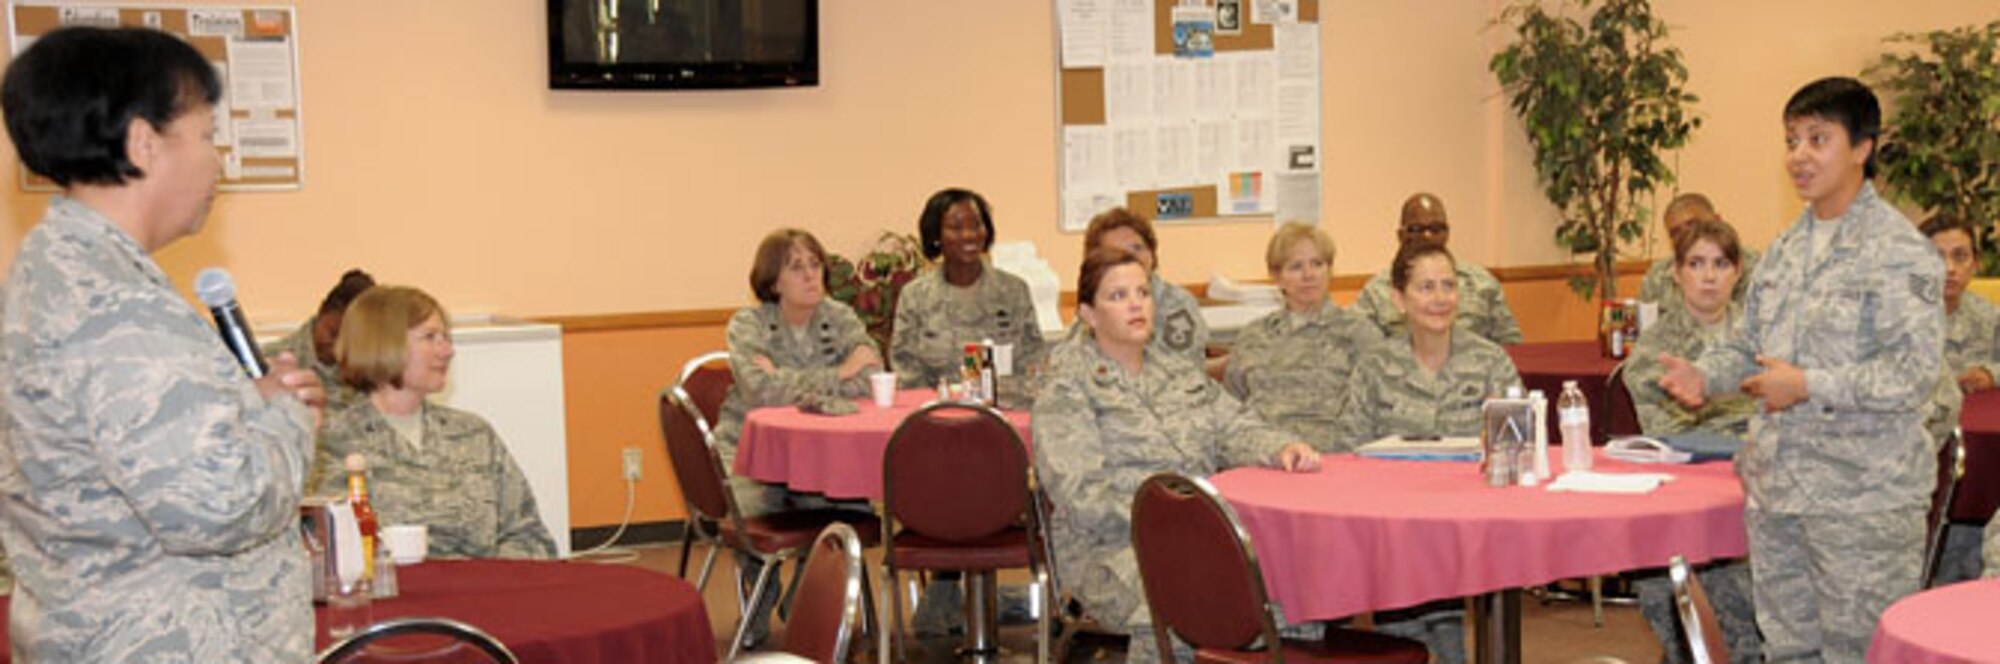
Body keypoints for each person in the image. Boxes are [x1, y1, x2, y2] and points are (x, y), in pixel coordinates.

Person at [0, 27, 324, 660]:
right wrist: (292, 419)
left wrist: (246, 400)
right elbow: (218, 504)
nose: (218, 160)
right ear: (145, 143)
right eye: (206, 135)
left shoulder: (59, 271)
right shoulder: (118, 308)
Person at [1657, 77, 1944, 664]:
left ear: (1862, 147)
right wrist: (1704, 375)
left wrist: (1809, 385)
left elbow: (1913, 375)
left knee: (1858, 654)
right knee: (1787, 650)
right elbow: (1749, 346)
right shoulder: (1785, 251)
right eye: (1791, 140)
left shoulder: (1900, 252)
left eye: (1818, 138)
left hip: (1863, 503)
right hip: (1779, 493)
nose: (1799, 155)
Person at [1033, 247, 1320, 662]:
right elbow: (1083, 496)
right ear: (1088, 315)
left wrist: (1280, 447)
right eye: (1117, 296)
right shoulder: (1068, 389)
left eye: (1142, 293)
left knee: (1297, 599)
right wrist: (1175, 524)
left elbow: (1235, 427)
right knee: (1187, 605)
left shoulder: (1180, 372)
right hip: (1111, 551)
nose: (1135, 304)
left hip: (1204, 539)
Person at [1331, 241, 1520, 664]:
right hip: (1395, 525)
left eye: (1448, 286)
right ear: (1398, 298)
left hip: (1472, 522)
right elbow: (1347, 453)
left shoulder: (1491, 363)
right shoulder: (1375, 367)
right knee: (1406, 623)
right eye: (1426, 287)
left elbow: (1516, 450)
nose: (1440, 299)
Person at [711, 228, 882, 644]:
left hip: (821, 454)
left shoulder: (839, 317)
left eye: (814, 264)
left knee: (845, 508)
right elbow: (758, 390)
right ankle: (760, 594)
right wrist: (840, 373)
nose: (810, 275)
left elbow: (872, 377)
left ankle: (805, 597)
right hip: (752, 453)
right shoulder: (748, 324)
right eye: (796, 267)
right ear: (773, 281)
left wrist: (787, 379)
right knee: (752, 510)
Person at [313, 286, 556, 559]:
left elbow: (530, 536)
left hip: (485, 593)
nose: (448, 351)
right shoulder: (329, 443)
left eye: (446, 337)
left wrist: (487, 580)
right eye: (430, 337)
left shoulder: (472, 434)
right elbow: (329, 556)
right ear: (382, 344)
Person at [1620, 219, 1763, 663]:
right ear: (1677, 272)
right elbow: (1668, 433)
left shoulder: (1760, 339)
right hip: (1688, 486)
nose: (1709, 276)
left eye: (1720, 264)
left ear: (1738, 272)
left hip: (1758, 481)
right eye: (1696, 263)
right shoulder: (1656, 348)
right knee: (1673, 583)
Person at [1224, 222, 1380, 452]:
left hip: (1331, 457)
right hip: (1265, 456)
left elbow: (1375, 410)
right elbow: (1231, 408)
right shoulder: (1253, 336)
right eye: (1296, 267)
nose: (1309, 275)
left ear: (1330, 270)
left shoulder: (1358, 333)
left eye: (1317, 264)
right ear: (1277, 277)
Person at [890, 188, 1045, 397]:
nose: (969, 235)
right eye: (956, 227)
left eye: (976, 225)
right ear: (936, 236)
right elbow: (906, 371)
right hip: (938, 416)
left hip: (1005, 413)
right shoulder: (916, 297)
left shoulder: (1013, 292)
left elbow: (1033, 361)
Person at [1353, 193, 1525, 345]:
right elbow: (1360, 353)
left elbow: (1512, 346)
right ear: (1401, 235)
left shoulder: (1482, 283)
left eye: (1436, 229)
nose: (1427, 236)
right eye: (1417, 229)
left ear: (1447, 233)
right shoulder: (1376, 292)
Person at [1083, 207, 1210, 364]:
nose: (1131, 257)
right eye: (1116, 251)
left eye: (1137, 248)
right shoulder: (1096, 302)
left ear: (1152, 255)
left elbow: (1182, 370)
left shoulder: (1176, 304)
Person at [267, 268, 376, 411]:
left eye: (351, 341)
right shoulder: (272, 362)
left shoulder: (371, 370)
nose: (338, 346)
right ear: (321, 311)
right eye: (332, 333)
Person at [1635, 194, 1759, 307]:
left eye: (1693, 225)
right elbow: (1644, 324)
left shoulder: (1757, 268)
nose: (1686, 235)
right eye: (1675, 232)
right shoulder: (1659, 275)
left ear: (1717, 220)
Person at [1922, 215, 1999, 394]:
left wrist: (1990, 375)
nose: (1949, 268)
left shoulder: (1991, 315)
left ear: (1976, 264)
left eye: (1960, 256)